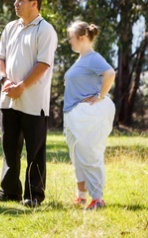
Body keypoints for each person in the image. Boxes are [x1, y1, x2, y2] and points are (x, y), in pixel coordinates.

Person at [0, 0, 58, 207]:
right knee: (10, 149)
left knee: (35, 152)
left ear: (34, 4)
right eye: (15, 0)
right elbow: (0, 58)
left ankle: (33, 196)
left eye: (20, 0)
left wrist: (22, 86)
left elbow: (43, 64)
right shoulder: (10, 27)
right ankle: (9, 191)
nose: (15, 4)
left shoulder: (45, 30)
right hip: (8, 100)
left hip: (33, 103)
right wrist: (4, 80)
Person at [64, 20, 115, 210]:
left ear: (82, 38)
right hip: (74, 113)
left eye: (71, 38)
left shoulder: (93, 58)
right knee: (78, 156)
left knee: (89, 155)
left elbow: (109, 74)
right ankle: (82, 196)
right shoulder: (82, 59)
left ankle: (98, 199)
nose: (69, 42)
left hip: (87, 114)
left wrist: (100, 96)